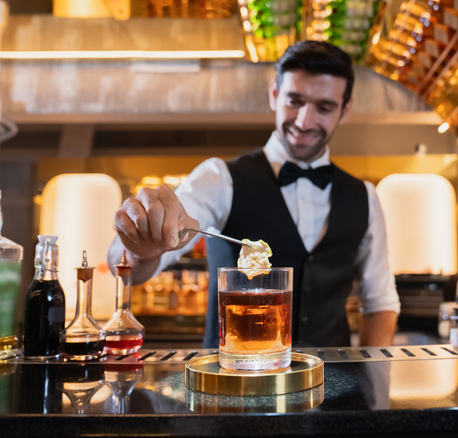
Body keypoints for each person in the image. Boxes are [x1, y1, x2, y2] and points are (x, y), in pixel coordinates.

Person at [108, 40, 400, 348]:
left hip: (333, 389)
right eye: (294, 101)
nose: (304, 121)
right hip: (234, 386)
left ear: (345, 109)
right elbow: (129, 264)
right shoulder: (220, 178)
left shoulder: (364, 196)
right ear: (275, 94)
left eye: (324, 108)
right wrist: (143, 244)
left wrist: (370, 385)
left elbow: (380, 302)